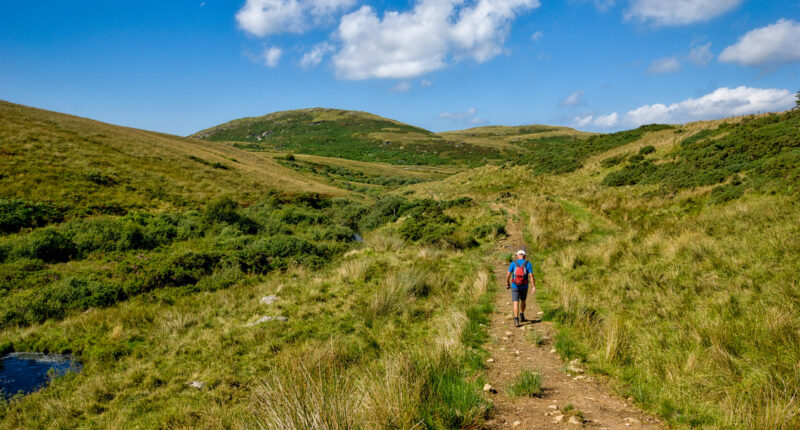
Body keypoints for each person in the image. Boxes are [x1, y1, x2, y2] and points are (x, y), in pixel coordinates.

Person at [506, 249, 535, 327]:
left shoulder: (513, 263)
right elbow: (531, 276)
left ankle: (516, 319)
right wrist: (534, 286)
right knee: (523, 300)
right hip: (524, 286)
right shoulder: (528, 264)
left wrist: (508, 282)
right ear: (524, 257)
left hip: (515, 286)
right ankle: (522, 315)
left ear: (517, 256)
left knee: (516, 302)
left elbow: (508, 275)